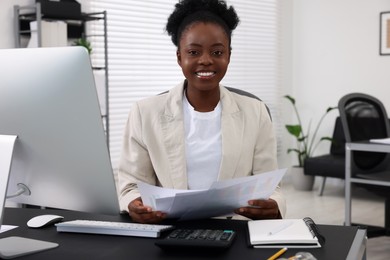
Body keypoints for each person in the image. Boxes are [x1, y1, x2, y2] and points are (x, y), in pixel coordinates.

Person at [118, 0, 285, 224]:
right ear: (179, 57)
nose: (206, 60)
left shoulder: (256, 112)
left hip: (233, 229)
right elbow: (131, 184)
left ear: (229, 55)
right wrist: (135, 203)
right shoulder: (144, 113)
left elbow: (271, 186)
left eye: (217, 52)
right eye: (194, 52)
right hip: (169, 227)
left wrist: (272, 206)